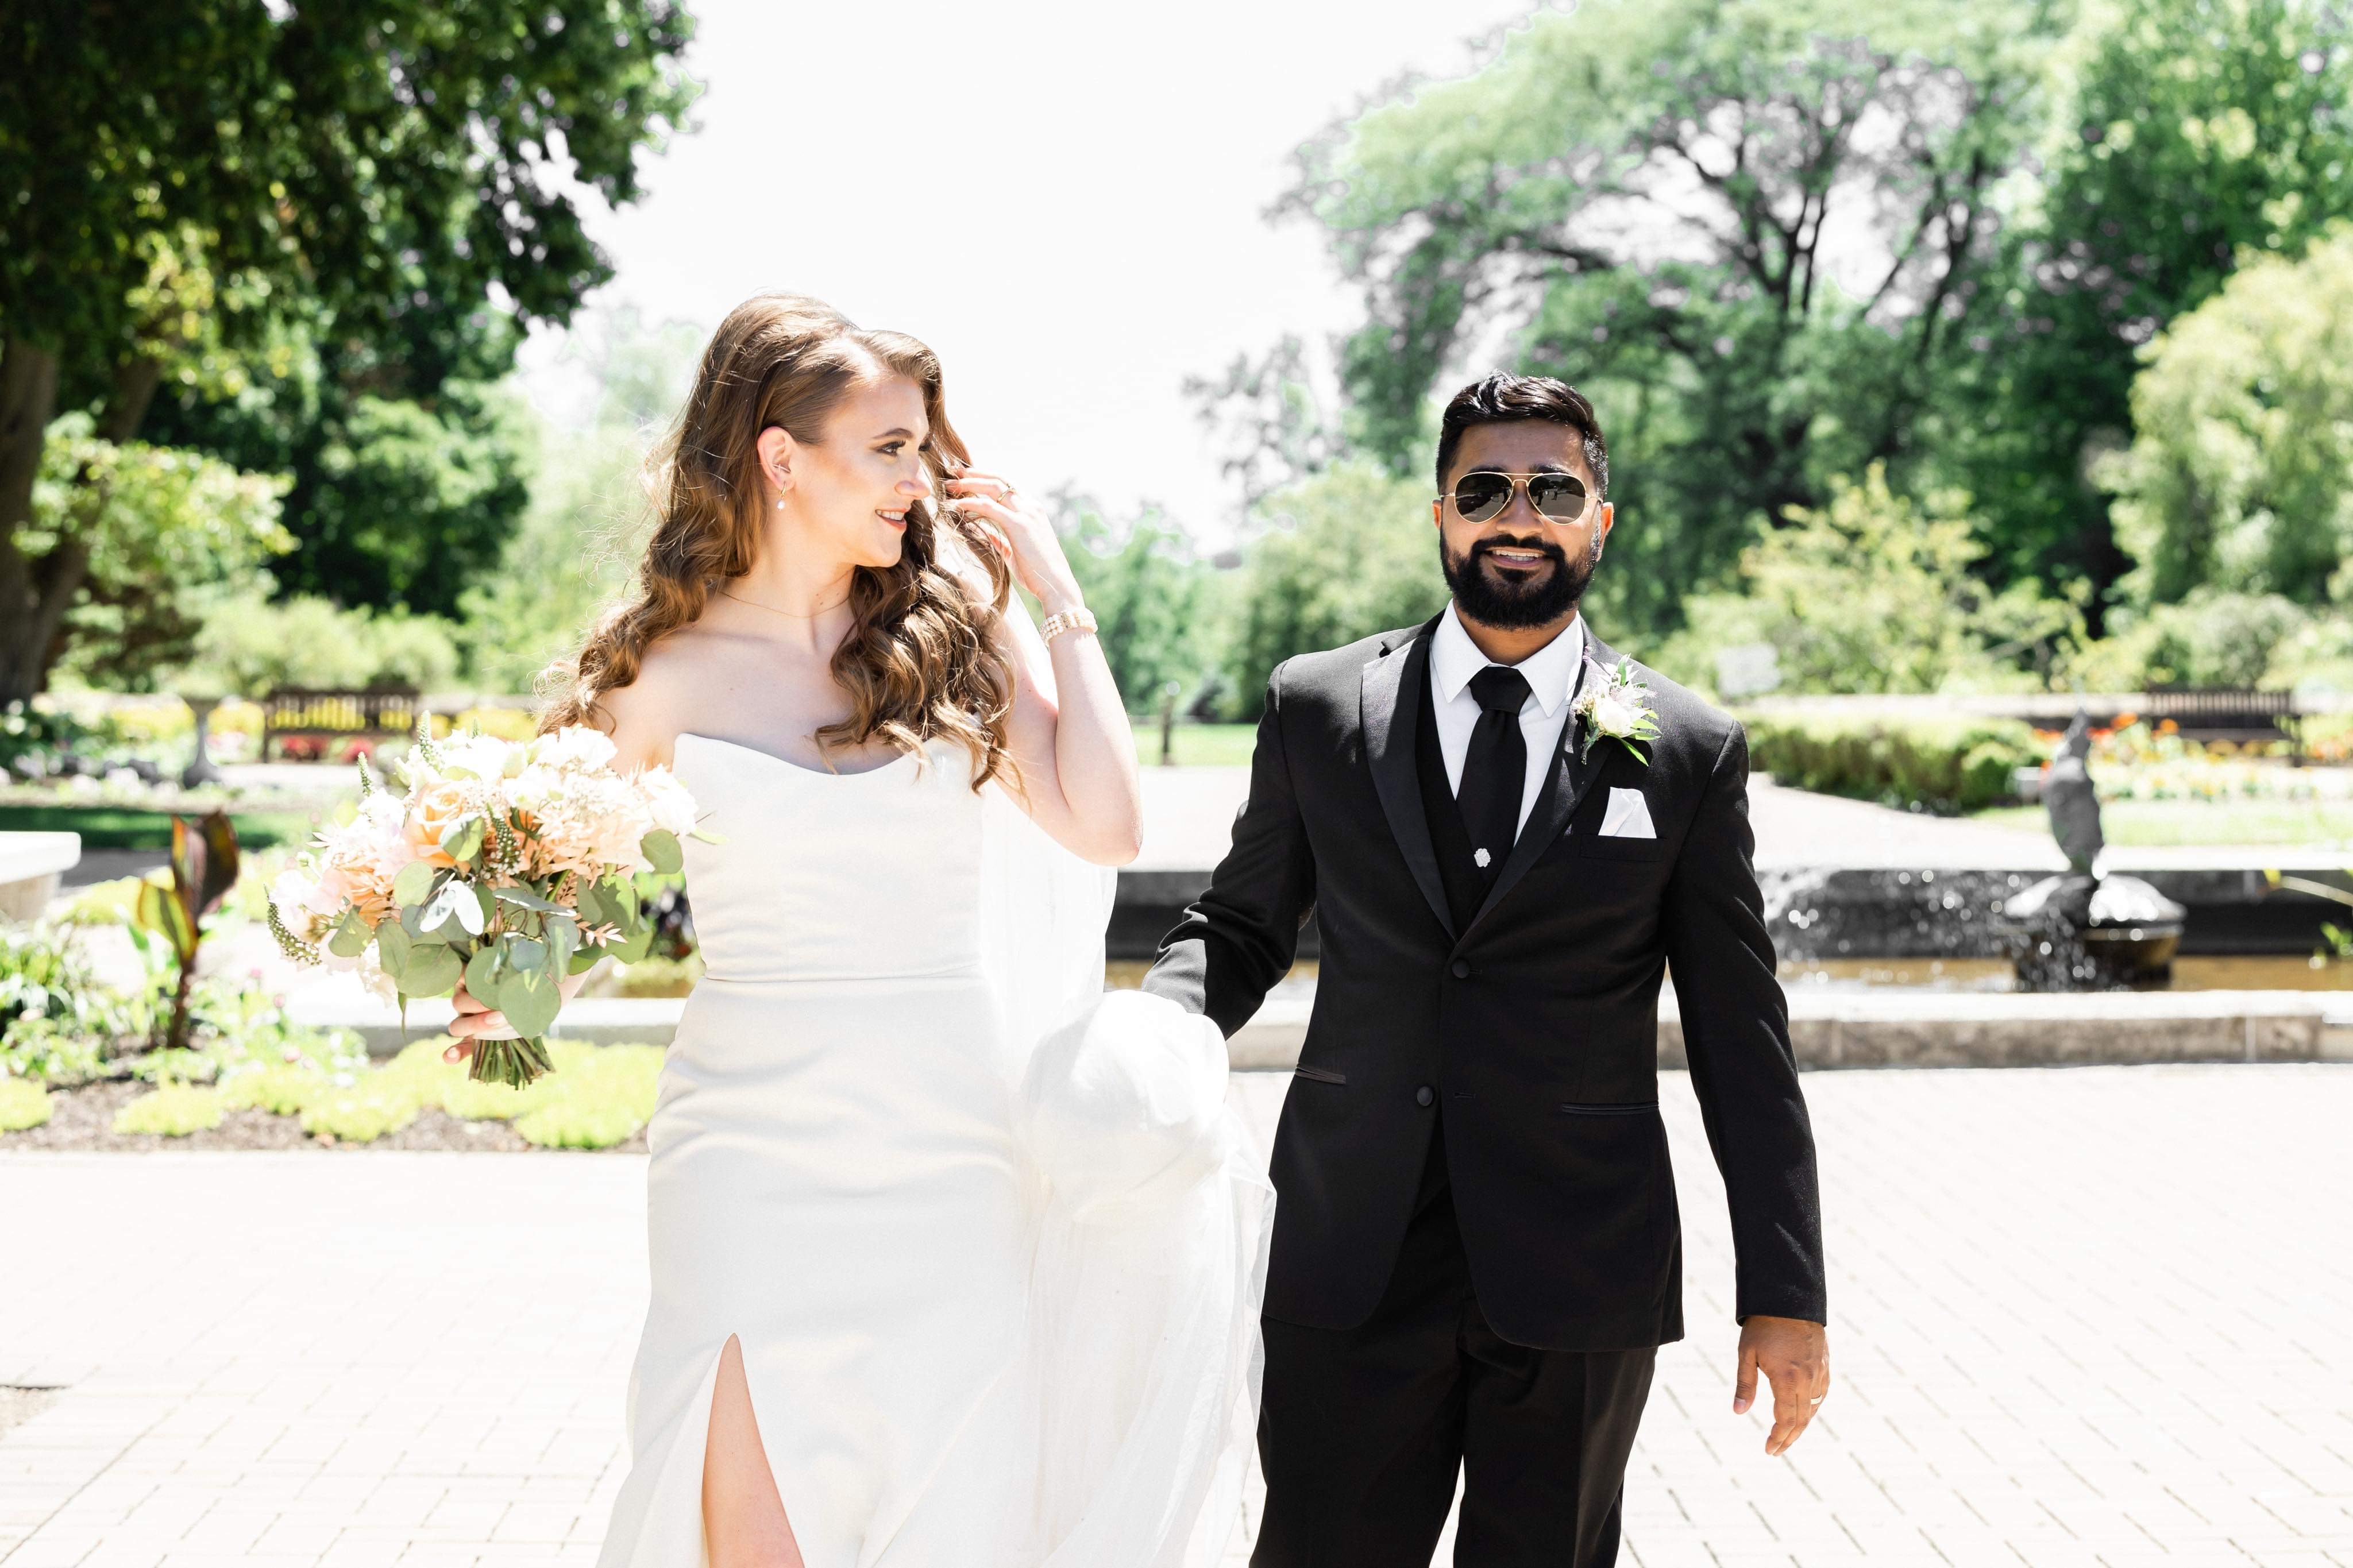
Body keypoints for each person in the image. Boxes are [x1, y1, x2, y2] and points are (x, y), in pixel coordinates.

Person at [443, 293, 1270, 1568]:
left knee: (953, 1502)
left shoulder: (954, 642)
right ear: (783, 456)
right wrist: (505, 981)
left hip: (954, 1143)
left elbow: (1103, 825)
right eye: (889, 446)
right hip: (745, 1151)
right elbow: (564, 901)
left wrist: (1053, 594)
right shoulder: (659, 676)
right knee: (748, 1515)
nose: (923, 476)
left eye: (926, 445)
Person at [1143, 373, 1831, 1567]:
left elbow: (1738, 1034)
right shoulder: (1316, 707)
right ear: (1441, 515)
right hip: (1348, 1248)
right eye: (1484, 488)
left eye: (1551, 488)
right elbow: (1241, 926)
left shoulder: (1681, 745)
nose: (1517, 515)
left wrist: (1785, 1288)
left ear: (1597, 519)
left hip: (1577, 1266)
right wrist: (1143, 1043)